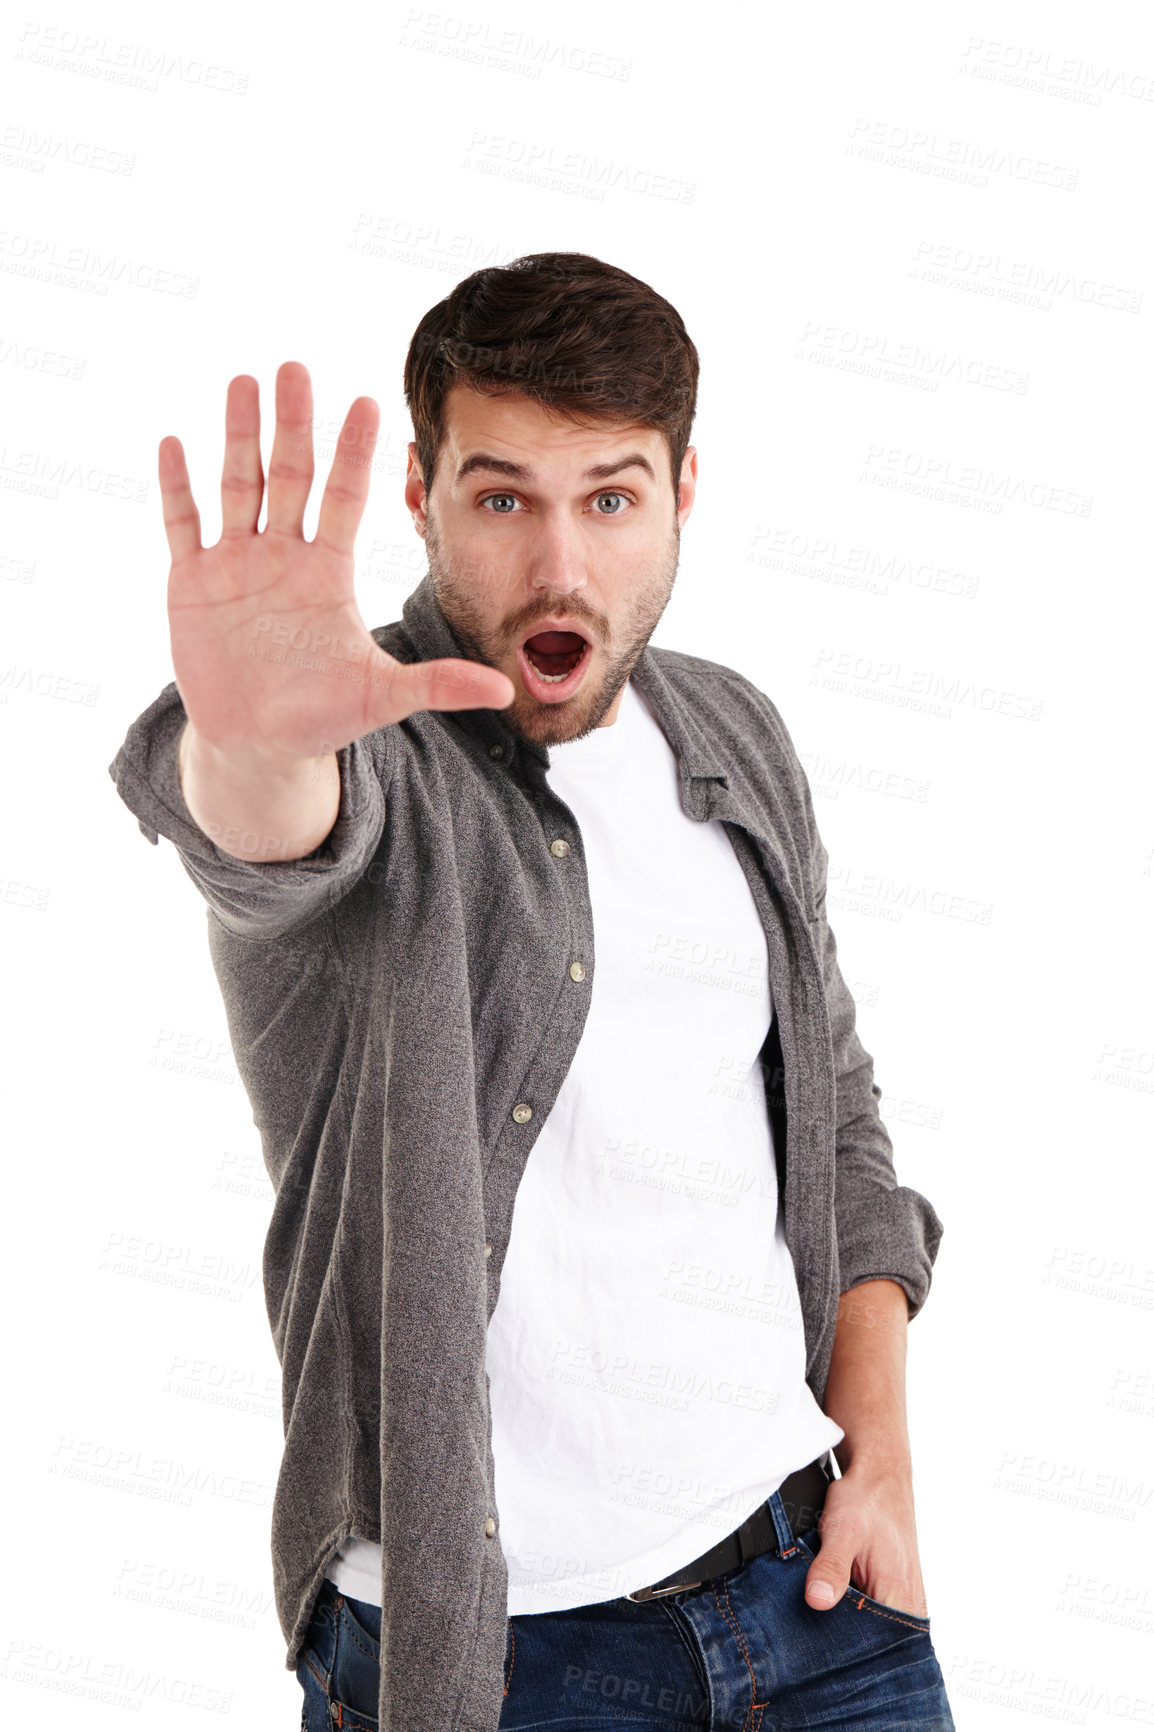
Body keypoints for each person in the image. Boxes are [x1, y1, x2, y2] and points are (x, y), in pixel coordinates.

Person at [108, 252, 955, 1731]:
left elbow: (834, 1121)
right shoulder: (367, 750)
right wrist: (246, 739)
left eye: (608, 497)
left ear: (685, 488)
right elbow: (266, 833)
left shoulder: (731, 732)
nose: (560, 566)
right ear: (423, 491)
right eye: (502, 499)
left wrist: (874, 1454)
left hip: (805, 1585)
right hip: (503, 1665)